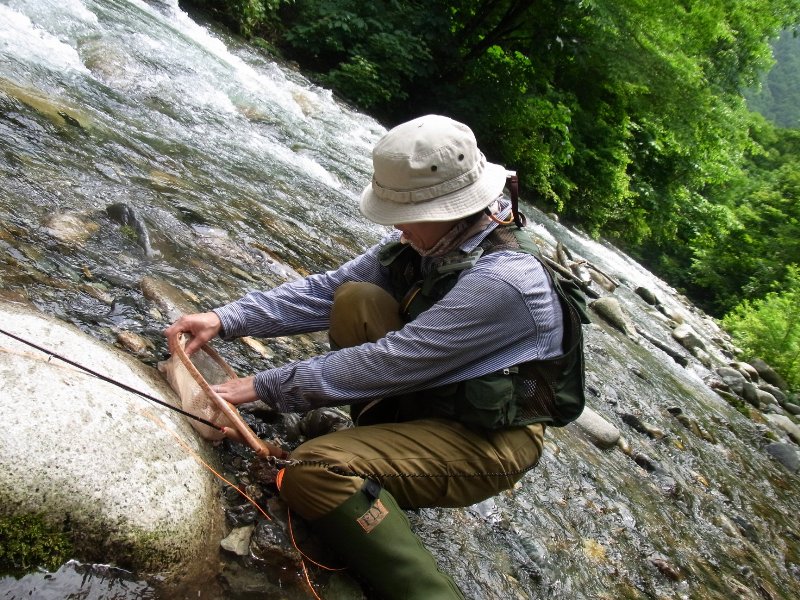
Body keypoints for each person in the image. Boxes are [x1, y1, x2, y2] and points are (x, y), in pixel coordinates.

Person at [165, 114, 585, 599]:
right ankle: (375, 463)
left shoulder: (506, 281)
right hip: (437, 391)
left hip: (488, 436)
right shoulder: (432, 239)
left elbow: (389, 362)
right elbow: (325, 292)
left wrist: (257, 388)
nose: (395, 227)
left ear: (446, 208)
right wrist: (225, 319)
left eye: (401, 214)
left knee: (312, 472)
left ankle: (428, 593)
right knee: (355, 297)